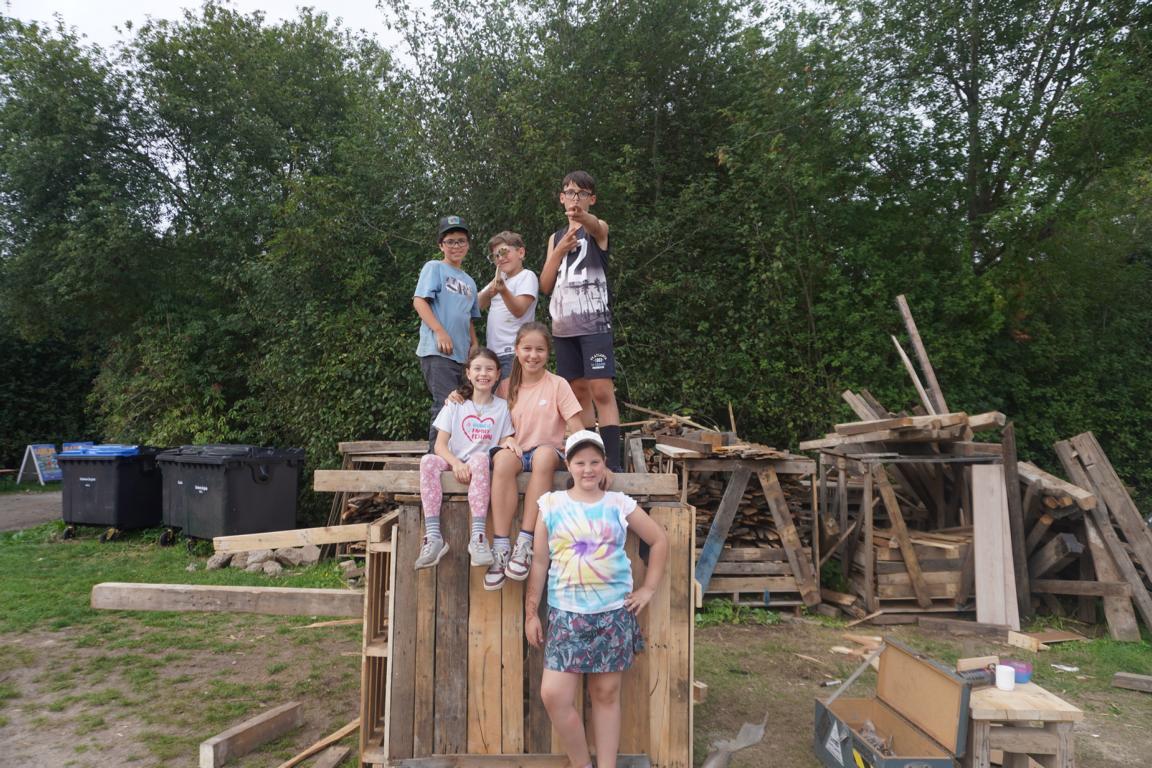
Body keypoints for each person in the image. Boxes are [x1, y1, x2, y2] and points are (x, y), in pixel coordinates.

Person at [525, 429, 668, 768]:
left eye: (594, 462)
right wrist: (531, 612)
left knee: (605, 695)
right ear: (568, 465)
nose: (587, 469)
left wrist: (648, 589)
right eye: (580, 462)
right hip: (566, 615)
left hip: (612, 615)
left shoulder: (619, 504)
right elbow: (540, 562)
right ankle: (582, 764)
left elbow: (659, 540)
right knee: (554, 695)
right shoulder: (551, 505)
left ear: (604, 464)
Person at [484, 322, 584, 591]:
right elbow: (487, 416)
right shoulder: (505, 387)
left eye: (540, 349)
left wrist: (588, 459)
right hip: (516, 452)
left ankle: (524, 542)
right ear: (516, 350)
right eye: (527, 348)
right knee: (502, 460)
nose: (533, 355)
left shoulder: (558, 385)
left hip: (547, 451)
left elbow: (577, 426)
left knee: (543, 456)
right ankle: (501, 546)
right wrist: (506, 440)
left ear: (548, 353)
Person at [539, 171, 623, 471]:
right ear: (561, 197)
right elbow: (545, 285)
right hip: (563, 326)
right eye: (570, 193)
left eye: (582, 193)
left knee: (601, 389)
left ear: (592, 199)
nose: (575, 198)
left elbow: (596, 225)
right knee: (577, 393)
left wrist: (581, 216)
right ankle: (589, 460)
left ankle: (613, 464)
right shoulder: (555, 238)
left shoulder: (598, 229)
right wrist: (559, 250)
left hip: (594, 323)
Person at [415, 347, 514, 570]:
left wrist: (510, 442)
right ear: (468, 373)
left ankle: (478, 537)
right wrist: (456, 463)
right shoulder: (456, 403)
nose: (483, 374)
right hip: (454, 461)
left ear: (498, 374)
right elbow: (439, 446)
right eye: (477, 369)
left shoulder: (502, 407)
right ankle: (433, 537)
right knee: (427, 461)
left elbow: (504, 441)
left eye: (489, 369)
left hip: (481, 466)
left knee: (480, 458)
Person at [413, 215, 480, 445]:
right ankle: (435, 458)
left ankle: (454, 456)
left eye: (461, 241)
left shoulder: (470, 282)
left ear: (468, 245)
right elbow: (419, 302)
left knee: (463, 406)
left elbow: (468, 317)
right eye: (450, 241)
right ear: (441, 245)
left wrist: (475, 344)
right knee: (446, 405)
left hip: (462, 356)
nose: (456, 246)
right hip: (438, 351)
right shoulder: (435, 267)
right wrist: (440, 331)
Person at [478, 231, 538, 378]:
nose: (501, 258)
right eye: (496, 256)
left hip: (514, 353)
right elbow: (477, 305)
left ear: (521, 253)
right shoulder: (499, 279)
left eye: (504, 252)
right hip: (493, 355)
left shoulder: (526, 276)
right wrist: (492, 288)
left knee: (512, 392)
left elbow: (519, 310)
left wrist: (503, 291)